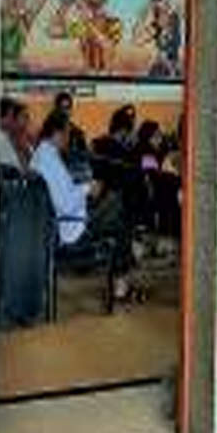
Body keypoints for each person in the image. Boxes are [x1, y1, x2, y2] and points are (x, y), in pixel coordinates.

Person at [30, 111, 135, 301]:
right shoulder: (49, 158)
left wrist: (84, 189)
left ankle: (122, 278)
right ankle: (122, 280)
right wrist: (88, 189)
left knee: (117, 213)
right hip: (69, 225)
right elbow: (66, 203)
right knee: (118, 205)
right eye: (68, 134)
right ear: (57, 133)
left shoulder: (42, 154)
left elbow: (63, 191)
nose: (69, 140)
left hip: (59, 221)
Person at [0, 97, 28, 174]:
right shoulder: (0, 140)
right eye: (11, 115)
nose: (12, 119)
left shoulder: (6, 137)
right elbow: (18, 170)